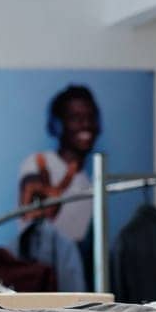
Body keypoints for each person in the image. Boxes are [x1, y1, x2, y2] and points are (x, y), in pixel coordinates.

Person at [18, 83, 102, 245]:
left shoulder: (86, 180)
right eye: (75, 118)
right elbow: (32, 191)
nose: (86, 124)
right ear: (57, 124)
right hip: (40, 266)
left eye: (91, 117)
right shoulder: (38, 162)